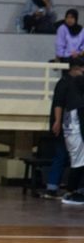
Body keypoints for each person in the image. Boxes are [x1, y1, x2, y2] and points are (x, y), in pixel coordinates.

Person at [43, 58, 84, 198]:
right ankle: (53, 187)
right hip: (67, 125)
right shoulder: (64, 82)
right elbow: (58, 104)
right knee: (62, 155)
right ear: (75, 68)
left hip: (72, 124)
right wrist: (57, 122)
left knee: (72, 156)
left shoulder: (77, 82)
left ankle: (71, 188)